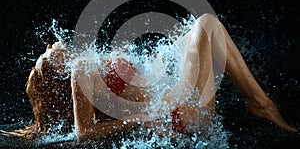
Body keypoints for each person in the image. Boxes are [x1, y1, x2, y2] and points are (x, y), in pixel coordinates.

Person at [25, 13, 296, 141]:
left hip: (175, 104)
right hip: (181, 114)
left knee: (189, 33)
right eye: (45, 57)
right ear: (58, 70)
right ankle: (262, 104)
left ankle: (259, 103)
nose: (50, 47)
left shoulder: (90, 65)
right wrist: (139, 119)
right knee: (205, 24)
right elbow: (84, 134)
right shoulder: (80, 69)